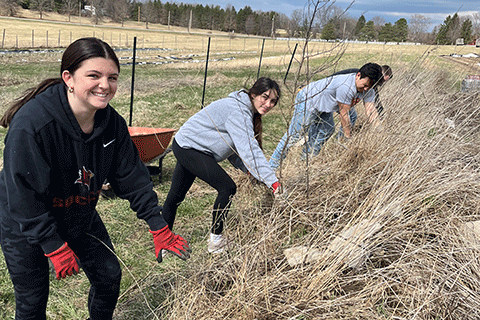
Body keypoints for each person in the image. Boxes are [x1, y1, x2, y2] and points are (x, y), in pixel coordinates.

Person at [0, 37, 191, 320]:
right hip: (27, 223)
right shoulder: (34, 125)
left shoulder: (111, 123)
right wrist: (51, 244)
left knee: (109, 276)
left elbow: (132, 176)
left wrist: (158, 225)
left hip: (77, 211)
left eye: (112, 77)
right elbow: (23, 194)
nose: (105, 85)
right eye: (94, 75)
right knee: (32, 302)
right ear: (69, 78)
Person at [162, 77, 281, 254]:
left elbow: (231, 146)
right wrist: (273, 182)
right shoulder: (238, 111)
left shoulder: (244, 109)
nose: (268, 104)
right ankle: (215, 241)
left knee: (176, 196)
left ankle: (164, 241)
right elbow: (249, 150)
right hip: (190, 147)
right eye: (265, 97)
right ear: (253, 94)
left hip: (190, 146)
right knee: (227, 187)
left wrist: (248, 170)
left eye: (273, 101)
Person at [269, 62, 383, 169]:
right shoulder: (346, 86)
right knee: (294, 135)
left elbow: (371, 110)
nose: (366, 89)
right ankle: (271, 167)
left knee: (326, 129)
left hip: (324, 105)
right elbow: (344, 114)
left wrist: (380, 132)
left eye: (370, 87)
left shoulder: (369, 90)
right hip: (309, 99)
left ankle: (305, 162)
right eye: (365, 85)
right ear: (358, 75)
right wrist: (347, 139)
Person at [330, 65, 393, 134]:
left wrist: (380, 121)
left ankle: (342, 138)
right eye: (382, 80)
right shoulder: (363, 77)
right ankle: (343, 138)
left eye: (384, 82)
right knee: (348, 117)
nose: (381, 83)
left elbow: (372, 105)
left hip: (336, 92)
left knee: (352, 116)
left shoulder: (370, 82)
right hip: (330, 90)